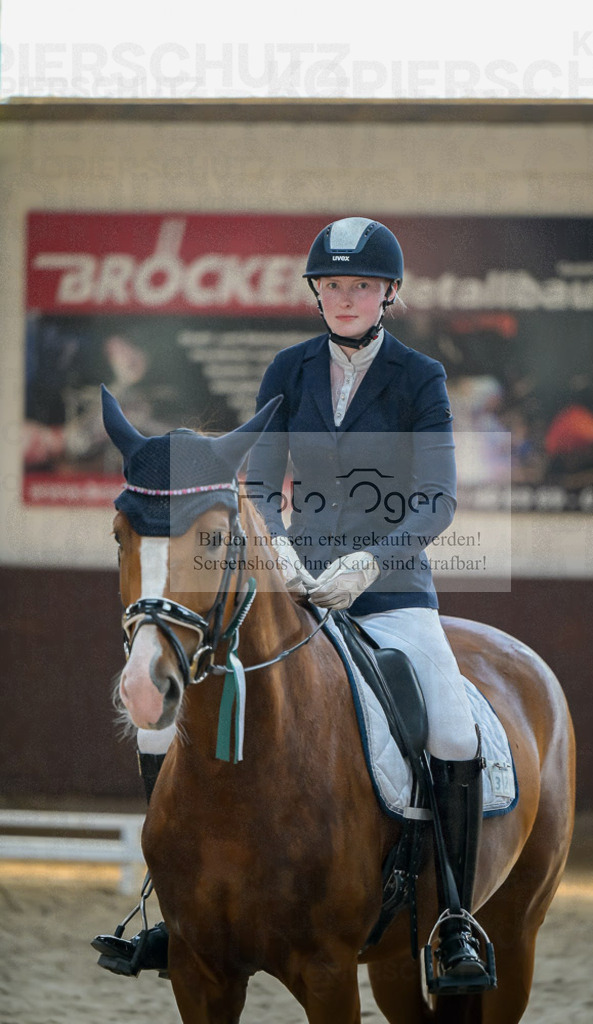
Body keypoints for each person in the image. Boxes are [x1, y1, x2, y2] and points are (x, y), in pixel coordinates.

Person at [93, 217, 492, 993]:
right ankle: (172, 908)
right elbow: (258, 481)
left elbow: (436, 498)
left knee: (448, 725)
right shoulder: (288, 369)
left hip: (391, 589)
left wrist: (369, 562)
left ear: (387, 295)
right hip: (291, 584)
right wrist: (278, 554)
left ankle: (453, 923)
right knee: (167, 713)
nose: (345, 298)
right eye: (332, 285)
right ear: (317, 293)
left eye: (360, 286)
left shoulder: (420, 377)